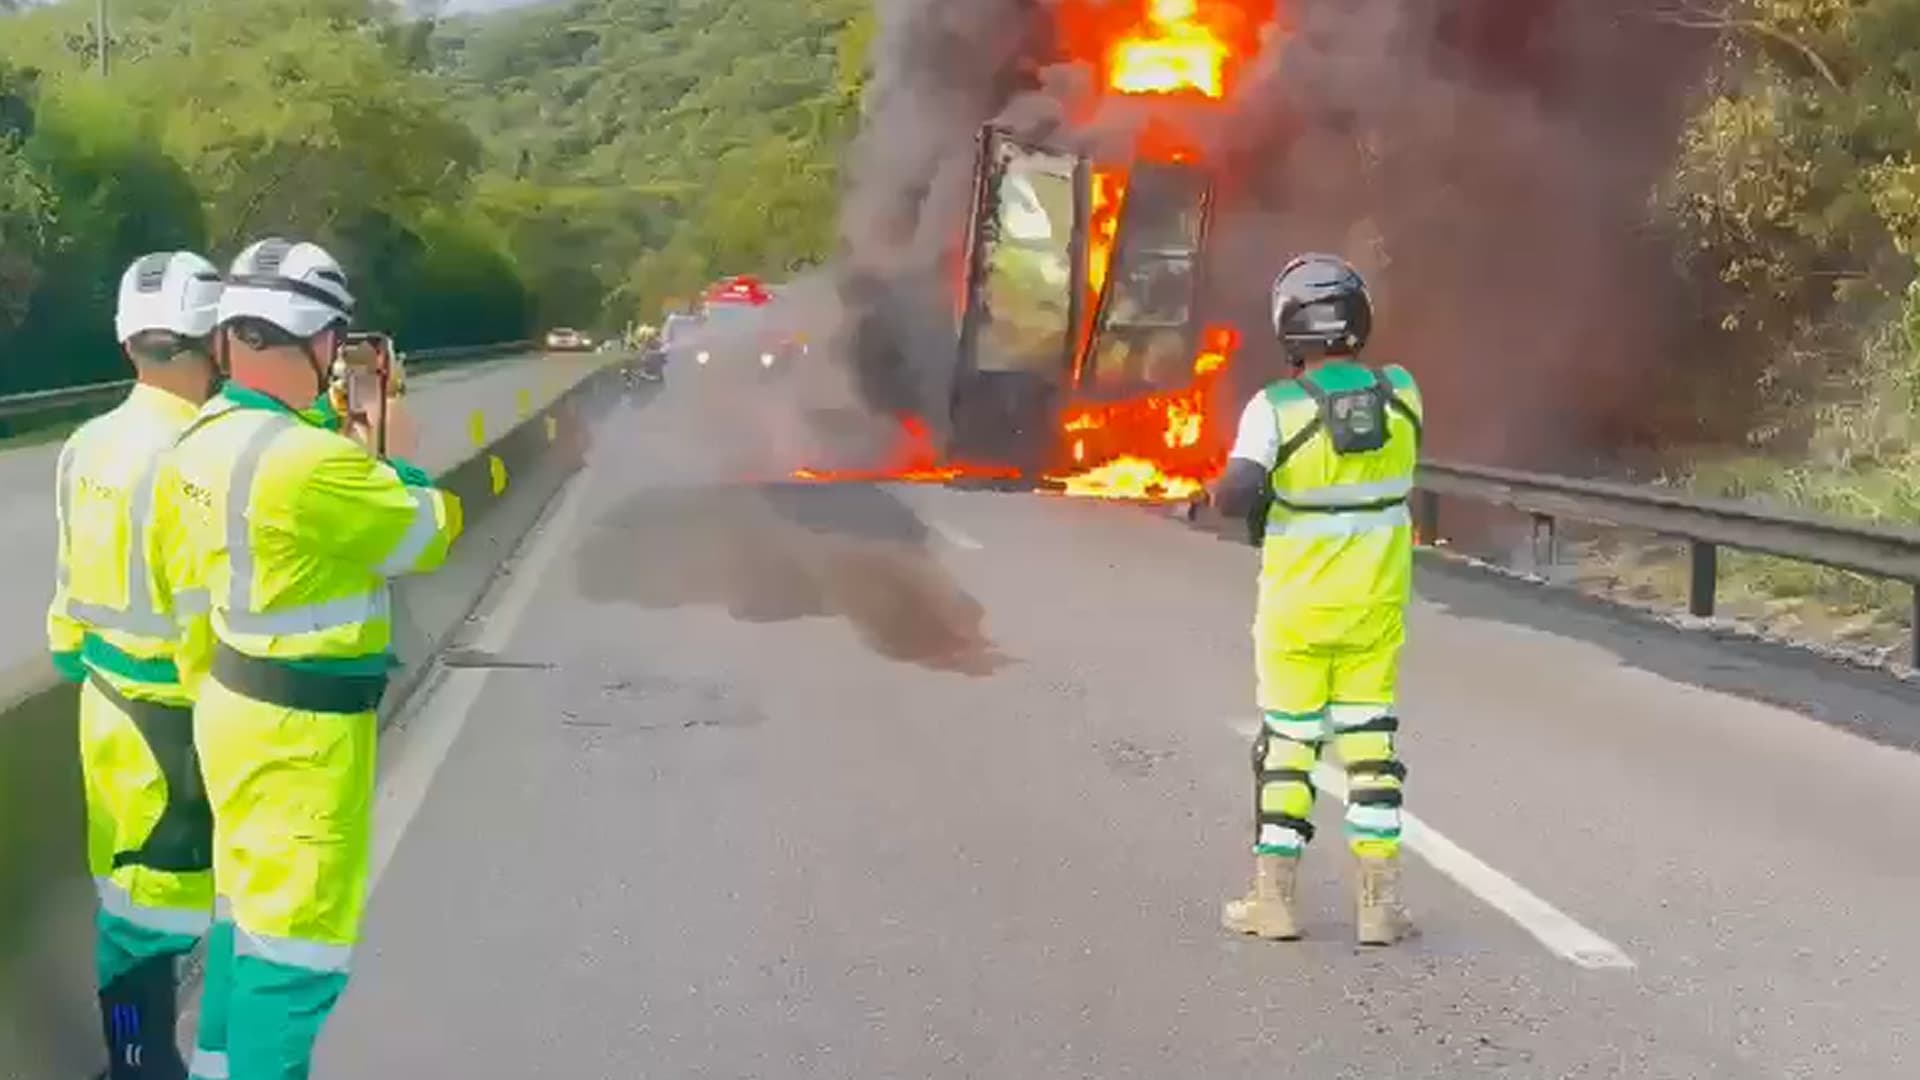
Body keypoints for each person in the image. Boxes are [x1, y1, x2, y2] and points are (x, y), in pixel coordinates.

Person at [155, 237, 460, 1077]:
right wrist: (391, 439)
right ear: (319, 341)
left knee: (242, 924)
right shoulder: (313, 465)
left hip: (231, 708)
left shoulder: (204, 440)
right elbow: (427, 529)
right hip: (303, 741)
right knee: (295, 960)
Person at [1208, 252, 1424, 946]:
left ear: (1287, 327)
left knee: (1290, 746)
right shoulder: (1404, 395)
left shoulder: (1275, 409)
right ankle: (1380, 906)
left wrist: (1223, 496)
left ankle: (1273, 900)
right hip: (1376, 609)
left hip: (1297, 614)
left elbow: (1236, 492)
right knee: (1371, 747)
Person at [48, 252, 225, 1078]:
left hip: (107, 717)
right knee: (233, 919)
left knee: (125, 924)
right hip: (190, 724)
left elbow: (64, 612)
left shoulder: (83, 447)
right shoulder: (209, 455)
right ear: (214, 343)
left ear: (127, 346)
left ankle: (132, 1057)